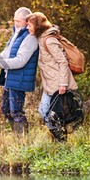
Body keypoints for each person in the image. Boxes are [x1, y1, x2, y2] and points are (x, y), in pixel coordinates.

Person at [0, 7, 39, 135]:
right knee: (6, 110)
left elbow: (20, 61)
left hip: (19, 79)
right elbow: (6, 53)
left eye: (18, 21)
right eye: (14, 20)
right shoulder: (17, 34)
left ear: (27, 21)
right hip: (10, 78)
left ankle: (23, 142)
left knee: (16, 112)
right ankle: (17, 137)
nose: (15, 23)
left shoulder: (30, 37)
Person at [25, 12, 79, 141]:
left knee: (52, 114)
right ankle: (59, 138)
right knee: (44, 112)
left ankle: (61, 141)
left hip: (58, 84)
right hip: (49, 84)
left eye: (29, 25)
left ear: (37, 26)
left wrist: (63, 84)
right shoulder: (40, 38)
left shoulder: (49, 40)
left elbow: (62, 62)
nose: (27, 27)